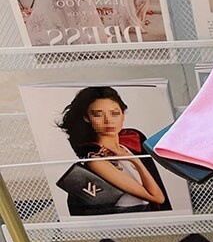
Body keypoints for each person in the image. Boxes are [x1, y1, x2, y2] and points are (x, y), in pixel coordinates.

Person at [57, 86, 172, 216]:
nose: (108, 121)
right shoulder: (96, 161)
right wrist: (134, 160)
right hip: (129, 216)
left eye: (115, 113)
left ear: (123, 115)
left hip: (148, 215)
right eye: (98, 114)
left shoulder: (130, 144)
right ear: (87, 118)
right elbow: (157, 198)